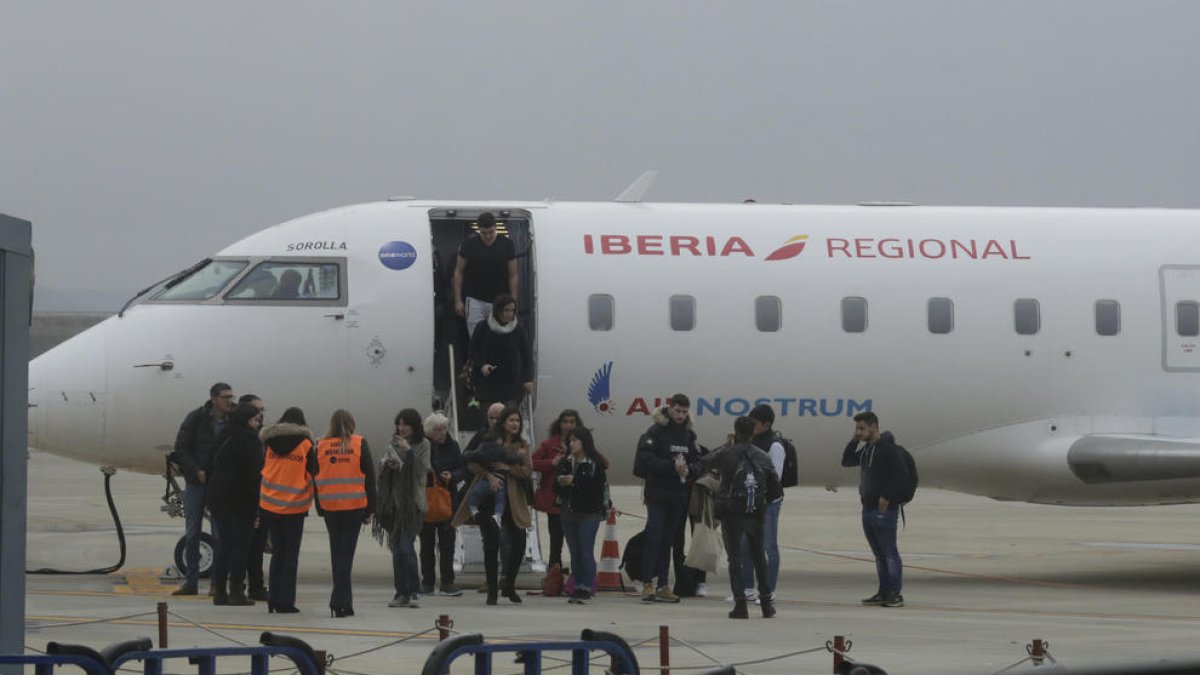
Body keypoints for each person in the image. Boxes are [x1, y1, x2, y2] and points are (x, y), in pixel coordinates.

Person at [694, 416, 781, 619]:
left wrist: (725, 445)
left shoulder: (727, 454)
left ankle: (740, 604)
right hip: (755, 512)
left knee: (735, 559)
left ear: (735, 431)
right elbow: (775, 488)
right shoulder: (762, 456)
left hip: (731, 510)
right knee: (759, 557)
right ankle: (766, 603)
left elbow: (703, 462)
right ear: (752, 433)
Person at [452, 405, 533, 605]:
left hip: (513, 500)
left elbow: (527, 471)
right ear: (504, 423)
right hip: (490, 498)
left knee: (519, 544)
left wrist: (508, 468)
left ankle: (509, 584)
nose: (515, 424)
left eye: (517, 421)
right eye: (511, 420)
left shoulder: (522, 445)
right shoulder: (488, 440)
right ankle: (492, 591)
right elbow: (470, 461)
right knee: (491, 544)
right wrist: (489, 475)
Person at [633, 393, 701, 603]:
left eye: (684, 412)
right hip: (658, 494)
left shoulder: (688, 436)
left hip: (678, 496)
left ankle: (663, 583)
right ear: (670, 409)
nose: (680, 416)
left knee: (668, 541)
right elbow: (645, 460)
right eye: (677, 411)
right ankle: (647, 583)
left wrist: (689, 470)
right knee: (653, 537)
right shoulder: (656, 431)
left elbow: (698, 460)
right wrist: (671, 467)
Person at [841, 411, 910, 608]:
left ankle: (895, 593)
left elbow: (901, 476)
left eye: (862, 428)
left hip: (884, 510)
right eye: (857, 428)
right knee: (879, 554)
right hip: (868, 508)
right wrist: (854, 440)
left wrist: (887, 497)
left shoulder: (888, 449)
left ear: (874, 427)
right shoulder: (867, 450)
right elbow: (846, 461)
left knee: (889, 553)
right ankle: (883, 591)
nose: (859, 432)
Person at [171, 382, 233, 596]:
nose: (229, 401)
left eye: (230, 397)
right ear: (214, 399)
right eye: (225, 397)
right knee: (192, 533)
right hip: (197, 482)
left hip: (219, 485)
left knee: (219, 535)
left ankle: (217, 583)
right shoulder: (196, 418)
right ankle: (191, 582)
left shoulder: (232, 421)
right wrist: (195, 470)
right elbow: (181, 448)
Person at [316, 409, 377, 618]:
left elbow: (317, 478)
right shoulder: (359, 444)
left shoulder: (321, 446)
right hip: (353, 506)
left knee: (337, 554)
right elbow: (370, 478)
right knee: (346, 556)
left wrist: (319, 507)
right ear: (352, 423)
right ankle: (340, 602)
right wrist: (371, 509)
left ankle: (341, 602)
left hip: (331, 508)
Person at [206, 401, 266, 606]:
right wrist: (256, 506)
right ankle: (237, 591)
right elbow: (255, 476)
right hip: (241, 501)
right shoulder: (250, 441)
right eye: (256, 419)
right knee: (240, 547)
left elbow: (208, 464)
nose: (258, 424)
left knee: (224, 545)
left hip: (218, 498)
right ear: (247, 420)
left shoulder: (223, 435)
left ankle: (219, 590)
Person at [258, 406, 316, 614]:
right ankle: (286, 602)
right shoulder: (306, 445)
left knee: (277, 554)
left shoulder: (269, 444)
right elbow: (314, 474)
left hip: (270, 504)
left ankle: (273, 599)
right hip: (294, 507)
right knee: (290, 556)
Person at [374, 408, 430, 609]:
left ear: (415, 426)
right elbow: (381, 466)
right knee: (397, 550)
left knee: (406, 548)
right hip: (394, 505)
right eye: (399, 423)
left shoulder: (423, 444)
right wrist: (386, 464)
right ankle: (401, 592)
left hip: (412, 505)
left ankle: (413, 590)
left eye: (406, 424)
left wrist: (408, 453)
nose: (402, 428)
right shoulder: (393, 443)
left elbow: (421, 470)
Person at [554, 427, 609, 604]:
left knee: (586, 551)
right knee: (574, 552)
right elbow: (555, 488)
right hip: (568, 512)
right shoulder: (566, 462)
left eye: (575, 440)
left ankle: (586, 586)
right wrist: (561, 482)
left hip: (588, 513)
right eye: (570, 441)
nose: (572, 444)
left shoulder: (595, 464)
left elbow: (597, 490)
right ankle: (577, 584)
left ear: (585, 442)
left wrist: (575, 482)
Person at [738, 403, 786, 604]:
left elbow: (775, 476)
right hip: (751, 501)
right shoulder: (749, 442)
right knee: (745, 546)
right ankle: (748, 588)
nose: (751, 426)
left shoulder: (775, 445)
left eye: (755, 423)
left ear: (766, 425)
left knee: (768, 546)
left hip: (768, 503)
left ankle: (768, 590)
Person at [420, 412, 467, 597]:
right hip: (427, 500)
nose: (442, 433)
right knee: (427, 545)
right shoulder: (424, 447)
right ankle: (427, 581)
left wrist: (453, 476)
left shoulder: (452, 446)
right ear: (430, 432)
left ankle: (448, 582)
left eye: (444, 429)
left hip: (447, 500)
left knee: (448, 544)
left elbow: (462, 469)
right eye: (438, 430)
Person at [532, 410, 582, 573]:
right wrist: (550, 463)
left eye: (572, 422)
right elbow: (532, 462)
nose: (568, 425)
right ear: (559, 424)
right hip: (554, 496)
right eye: (565, 421)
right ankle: (555, 567)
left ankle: (576, 567)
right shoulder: (549, 444)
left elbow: (601, 462)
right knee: (556, 535)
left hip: (575, 496)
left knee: (576, 535)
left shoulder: (583, 444)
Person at [453, 211, 518, 338]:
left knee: (499, 336)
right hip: (475, 299)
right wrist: (457, 300)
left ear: (495, 228)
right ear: (479, 230)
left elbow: (513, 275)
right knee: (476, 337)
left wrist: (513, 300)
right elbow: (458, 272)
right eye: (483, 233)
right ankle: (478, 358)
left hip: (500, 300)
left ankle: (496, 358)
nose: (488, 236)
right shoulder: (469, 244)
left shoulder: (507, 244)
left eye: (491, 232)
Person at [468, 294, 533, 408]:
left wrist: (527, 379)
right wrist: (482, 365)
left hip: (511, 383)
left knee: (509, 415)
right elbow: (473, 350)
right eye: (506, 310)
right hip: (487, 382)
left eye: (512, 310)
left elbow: (526, 355)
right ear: (498, 310)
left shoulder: (517, 329)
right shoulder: (483, 327)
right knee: (489, 417)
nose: (509, 314)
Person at [239, 393, 269, 602]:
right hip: (246, 500)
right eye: (256, 411)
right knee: (243, 547)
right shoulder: (241, 438)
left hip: (261, 498)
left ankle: (256, 586)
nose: (260, 415)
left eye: (261, 410)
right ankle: (239, 587)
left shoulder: (262, 437)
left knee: (256, 547)